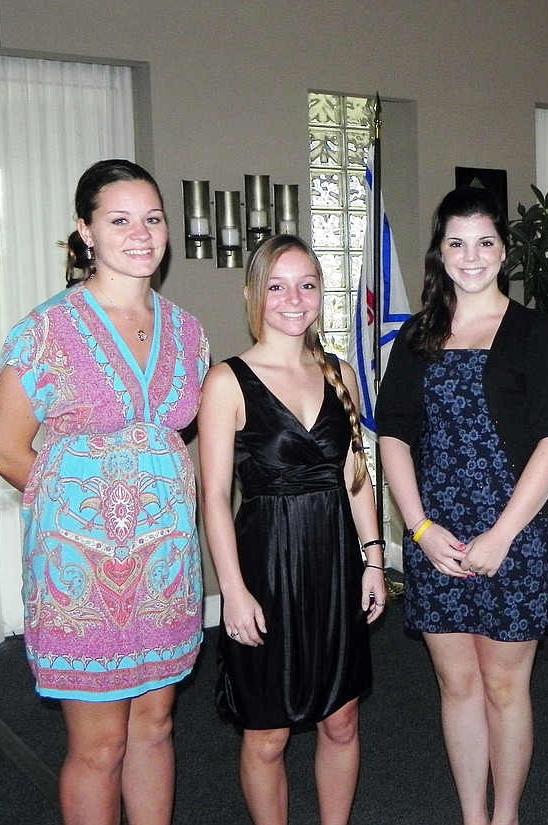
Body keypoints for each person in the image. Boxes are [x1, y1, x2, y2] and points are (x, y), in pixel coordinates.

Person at [0, 159, 208, 825]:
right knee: (101, 742)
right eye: (119, 219)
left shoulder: (189, 332)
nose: (140, 233)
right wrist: (85, 516)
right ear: (85, 231)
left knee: (157, 726)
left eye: (152, 218)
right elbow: (3, 447)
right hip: (80, 574)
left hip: (166, 569)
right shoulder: (45, 330)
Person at [376, 186, 548, 825]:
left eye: (484, 242)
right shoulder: (415, 337)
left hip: (512, 535)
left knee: (504, 686)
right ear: (439, 251)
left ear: (504, 252)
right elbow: (393, 435)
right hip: (436, 535)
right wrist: (420, 528)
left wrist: (502, 536)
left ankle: (506, 815)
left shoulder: (535, 332)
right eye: (457, 243)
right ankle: (471, 815)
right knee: (457, 685)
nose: (471, 256)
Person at [197, 234, 386, 825]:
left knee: (342, 719)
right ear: (254, 294)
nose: (293, 298)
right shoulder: (227, 381)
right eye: (277, 285)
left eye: (307, 284)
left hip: (335, 565)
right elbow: (213, 496)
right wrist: (232, 589)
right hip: (266, 567)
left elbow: (356, 474)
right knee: (268, 736)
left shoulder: (340, 375)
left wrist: (375, 557)